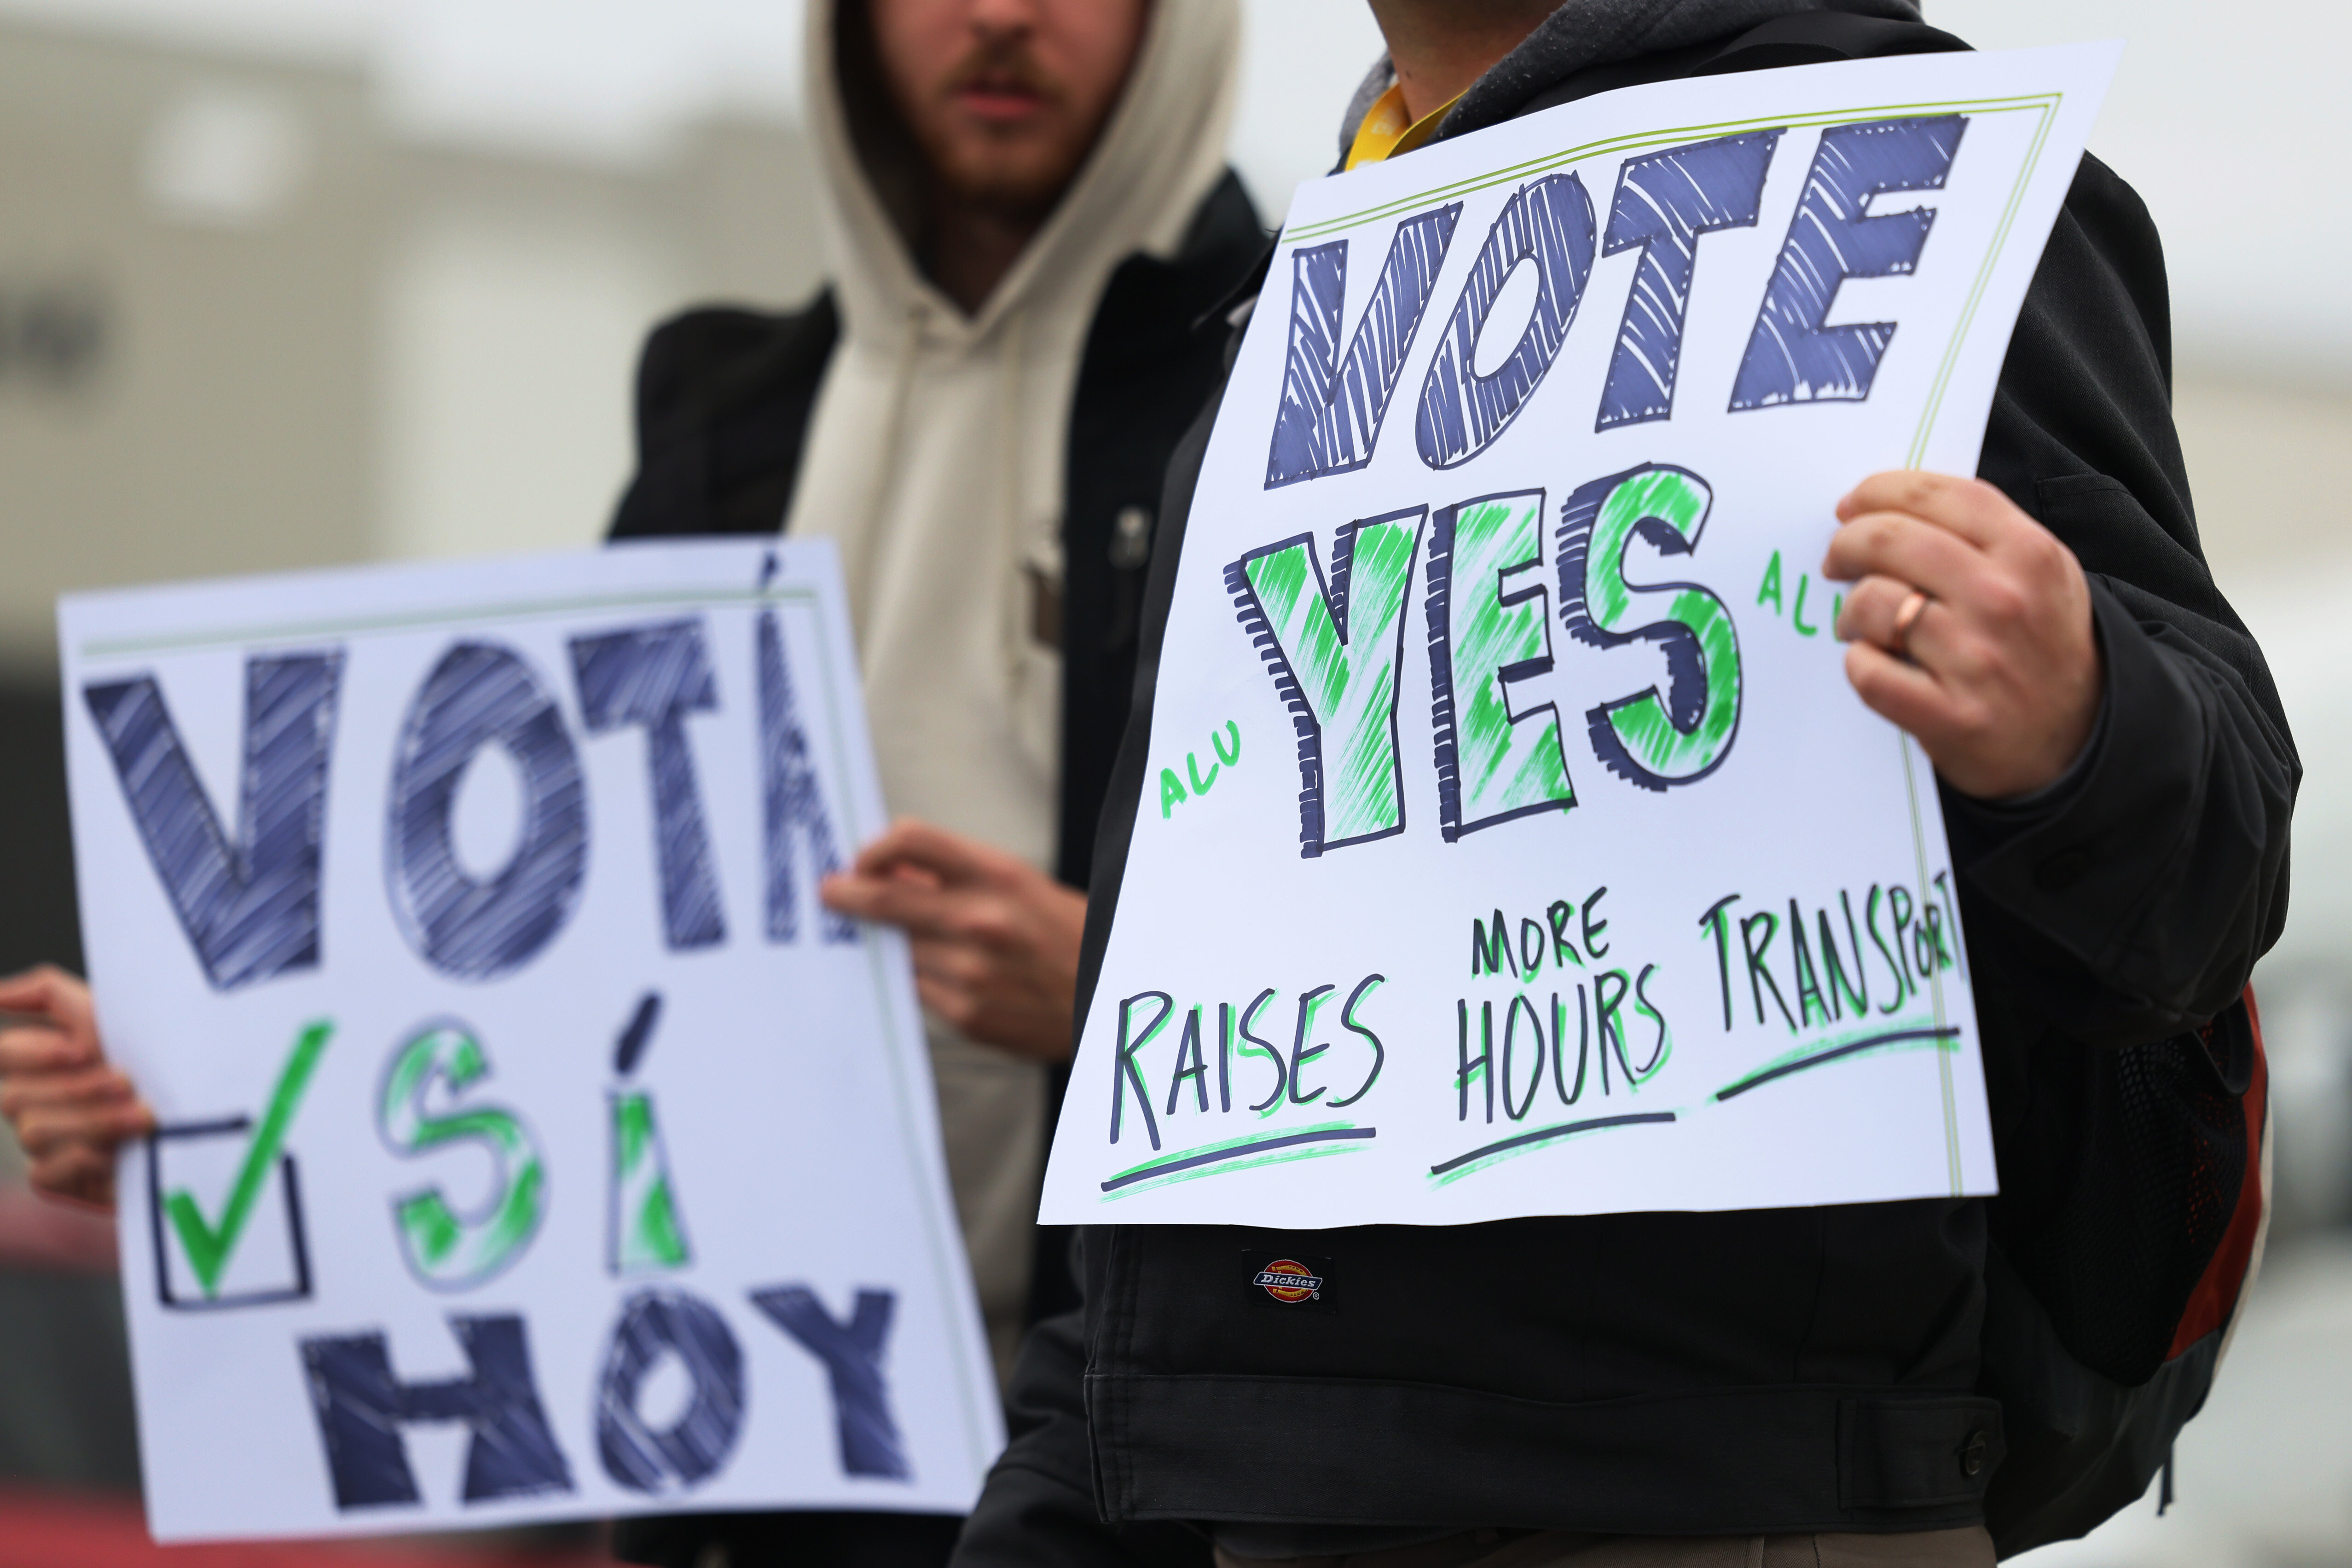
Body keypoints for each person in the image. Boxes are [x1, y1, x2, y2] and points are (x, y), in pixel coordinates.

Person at [945, 2, 2298, 1567]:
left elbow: (2215, 882)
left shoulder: (1909, 184)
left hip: (1737, 1494)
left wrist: (2079, 725)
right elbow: (1164, 1131)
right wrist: (1061, 1497)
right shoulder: (1295, 327)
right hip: (1260, 1502)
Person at [0, 0, 1262, 1563]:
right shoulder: (724, 429)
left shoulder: (1304, 396)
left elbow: (1423, 977)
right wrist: (191, 1100)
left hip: (1145, 1487)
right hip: (746, 1485)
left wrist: (1124, 999)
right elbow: (542, 1012)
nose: (1000, 14)